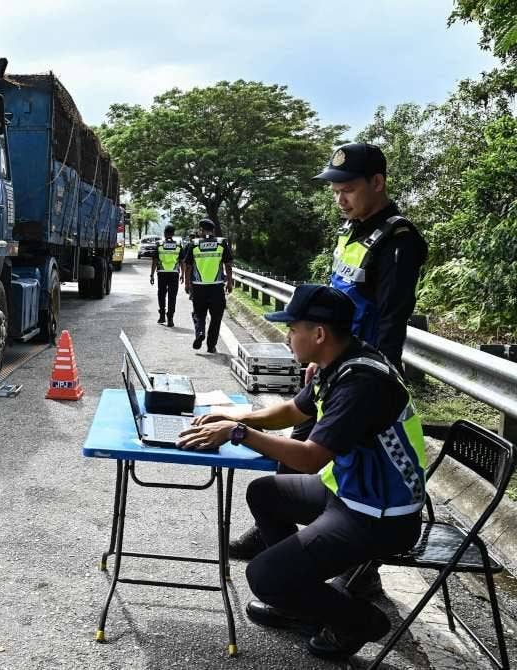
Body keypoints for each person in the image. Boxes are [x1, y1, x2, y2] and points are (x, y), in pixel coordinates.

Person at [177, 284, 425, 661]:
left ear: (319, 334)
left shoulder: (361, 383)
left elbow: (309, 459)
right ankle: (301, 599)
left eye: (293, 329)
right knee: (265, 493)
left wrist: (237, 433)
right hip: (349, 494)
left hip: (379, 517)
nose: (288, 336)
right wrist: (234, 416)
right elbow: (294, 412)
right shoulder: (340, 362)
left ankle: (359, 621)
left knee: (263, 577)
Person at [229, 143, 429, 584]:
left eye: (349, 190)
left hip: (358, 373)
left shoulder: (398, 240)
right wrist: (320, 356)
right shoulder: (353, 231)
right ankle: (290, 546)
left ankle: (362, 568)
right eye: (335, 191)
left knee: (334, 458)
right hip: (332, 361)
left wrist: (365, 378)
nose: (340, 199)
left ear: (377, 183)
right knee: (297, 447)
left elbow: (392, 319)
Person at [182, 218, 234, 353]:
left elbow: (188, 266)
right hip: (217, 287)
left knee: (199, 314)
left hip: (198, 286)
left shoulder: (194, 244)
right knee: (216, 317)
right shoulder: (221, 243)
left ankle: (200, 332)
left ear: (201, 230)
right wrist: (230, 282)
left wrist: (187, 283)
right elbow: (228, 265)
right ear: (213, 230)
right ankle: (211, 346)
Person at [149, 225, 183, 327]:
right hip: (174, 274)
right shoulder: (178, 245)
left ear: (164, 233)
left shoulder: (159, 244)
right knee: (172, 296)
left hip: (162, 273)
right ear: (173, 233)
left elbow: (155, 260)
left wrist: (151, 275)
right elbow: (182, 261)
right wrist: (183, 275)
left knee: (161, 295)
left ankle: (162, 316)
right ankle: (170, 319)